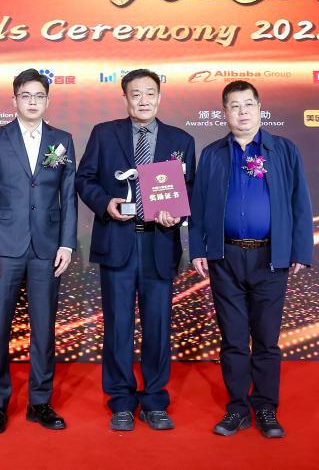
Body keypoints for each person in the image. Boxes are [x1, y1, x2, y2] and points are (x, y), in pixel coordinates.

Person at [189, 80, 314, 439]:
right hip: (225, 258)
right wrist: (198, 248)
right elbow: (198, 206)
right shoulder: (213, 154)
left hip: (270, 258)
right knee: (232, 339)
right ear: (224, 112)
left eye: (248, 104)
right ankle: (237, 408)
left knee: (266, 338)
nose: (242, 112)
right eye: (234, 106)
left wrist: (300, 250)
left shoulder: (283, 150)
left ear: (260, 109)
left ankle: (266, 407)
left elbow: (300, 203)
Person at [76, 69, 195, 432]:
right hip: (118, 241)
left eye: (150, 94)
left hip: (159, 243)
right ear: (125, 98)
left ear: (160, 97)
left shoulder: (181, 139)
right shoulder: (104, 133)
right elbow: (84, 179)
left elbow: (190, 188)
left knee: (158, 326)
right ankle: (121, 401)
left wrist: (177, 214)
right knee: (118, 326)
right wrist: (105, 203)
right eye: (136, 94)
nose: (143, 100)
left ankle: (155, 400)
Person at [0, 68, 77, 434]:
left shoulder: (61, 140)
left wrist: (67, 242)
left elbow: (68, 195)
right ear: (14, 100)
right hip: (3, 247)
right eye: (26, 96)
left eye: (39, 96)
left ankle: (40, 402)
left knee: (44, 328)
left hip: (47, 248)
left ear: (47, 100)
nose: (33, 102)